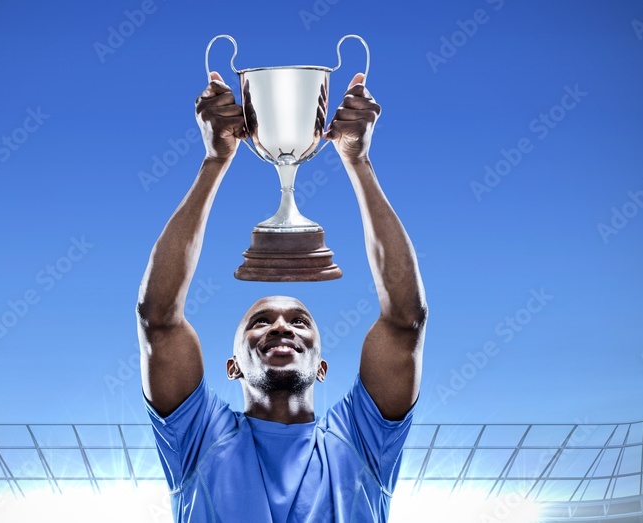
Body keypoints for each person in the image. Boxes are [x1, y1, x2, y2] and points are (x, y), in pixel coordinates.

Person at [136, 70, 427, 522]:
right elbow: (158, 319)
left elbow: (405, 322)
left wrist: (358, 163)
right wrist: (215, 161)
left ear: (323, 367)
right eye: (259, 320)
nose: (280, 325)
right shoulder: (198, 435)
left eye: (299, 320)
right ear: (231, 367)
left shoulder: (362, 438)